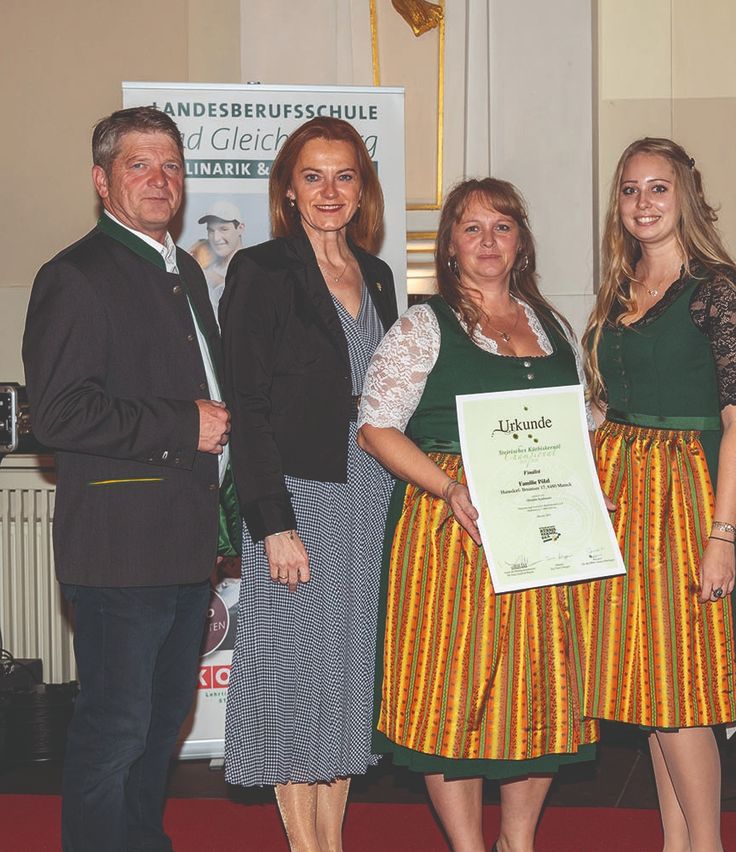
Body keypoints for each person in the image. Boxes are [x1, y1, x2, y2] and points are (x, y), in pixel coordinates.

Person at [357, 178, 597, 852]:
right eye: (472, 228)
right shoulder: (422, 326)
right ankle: (467, 846)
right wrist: (447, 487)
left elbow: (578, 425)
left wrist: (588, 486)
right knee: (451, 691)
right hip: (452, 529)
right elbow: (375, 428)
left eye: (502, 227)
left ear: (521, 242)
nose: (488, 241)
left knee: (540, 689)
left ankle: (516, 842)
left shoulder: (551, 325)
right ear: (451, 246)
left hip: (541, 529)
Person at [22, 106, 231, 852]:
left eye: (170, 164)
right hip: (118, 550)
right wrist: (182, 424)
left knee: (161, 721)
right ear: (102, 180)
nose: (159, 179)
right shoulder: (74, 275)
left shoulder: (186, 273)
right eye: (138, 164)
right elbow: (57, 414)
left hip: (185, 544)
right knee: (114, 729)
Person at [579, 137, 736, 852]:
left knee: (682, 689)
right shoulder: (618, 288)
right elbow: (604, 405)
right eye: (630, 189)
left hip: (687, 498)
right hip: (622, 497)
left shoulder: (718, 289)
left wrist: (723, 536)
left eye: (658, 188)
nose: (643, 202)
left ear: (685, 196)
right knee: (651, 692)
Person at [220, 116, 398, 851]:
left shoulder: (378, 274)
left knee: (346, 673)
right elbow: (248, 406)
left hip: (370, 492)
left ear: (362, 190)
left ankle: (333, 841)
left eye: (344, 176)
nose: (330, 191)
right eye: (313, 177)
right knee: (296, 674)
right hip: (299, 492)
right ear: (289, 190)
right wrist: (273, 523)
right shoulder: (262, 270)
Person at [197, 200, 246, 315]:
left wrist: (206, 275)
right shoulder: (205, 266)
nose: (216, 238)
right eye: (211, 231)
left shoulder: (255, 267)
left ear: (240, 228)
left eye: (223, 229)